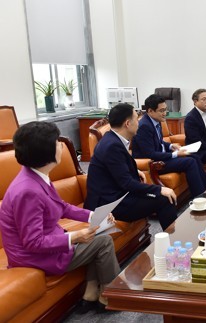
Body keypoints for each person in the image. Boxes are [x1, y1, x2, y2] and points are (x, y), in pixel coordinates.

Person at [0, 122, 120, 313]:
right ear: (46, 152)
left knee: (97, 237)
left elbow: (61, 207)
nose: (61, 146)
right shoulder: (27, 191)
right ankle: (110, 295)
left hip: (44, 246)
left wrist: (94, 216)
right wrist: (75, 237)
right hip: (33, 257)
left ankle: (90, 294)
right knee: (103, 242)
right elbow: (33, 242)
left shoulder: (36, 175)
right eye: (57, 142)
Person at [84, 103, 178, 231]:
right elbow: (127, 183)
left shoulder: (112, 139)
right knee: (164, 199)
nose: (139, 122)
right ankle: (174, 243)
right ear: (127, 123)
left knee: (161, 198)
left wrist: (135, 170)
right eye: (136, 119)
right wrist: (159, 189)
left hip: (118, 195)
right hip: (109, 204)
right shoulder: (112, 146)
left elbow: (116, 167)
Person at [131, 94, 206, 197]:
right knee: (190, 162)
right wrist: (176, 154)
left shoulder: (155, 120)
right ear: (150, 111)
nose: (165, 113)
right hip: (155, 163)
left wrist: (170, 146)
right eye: (161, 111)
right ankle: (199, 197)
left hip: (162, 156)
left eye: (165, 110)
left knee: (194, 156)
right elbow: (150, 153)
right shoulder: (144, 126)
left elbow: (158, 141)